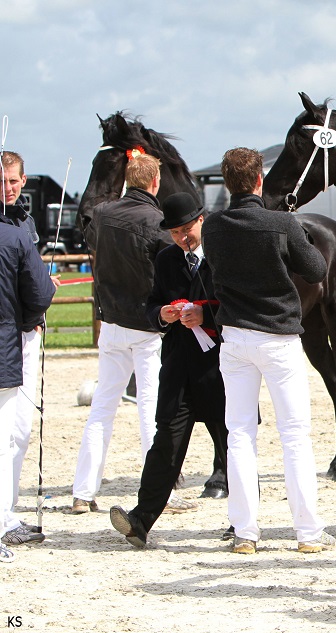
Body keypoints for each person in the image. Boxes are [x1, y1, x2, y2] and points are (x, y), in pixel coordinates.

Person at [201, 147, 334, 554]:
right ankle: (308, 533)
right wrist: (297, 236)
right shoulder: (282, 223)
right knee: (294, 434)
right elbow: (316, 269)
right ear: (259, 179)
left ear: (227, 183)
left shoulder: (213, 226)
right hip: (278, 336)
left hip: (236, 336)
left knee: (239, 434)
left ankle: (245, 531)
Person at [72, 151, 197, 515]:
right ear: (155, 181)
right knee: (152, 410)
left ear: (128, 180)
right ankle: (163, 492)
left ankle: (83, 491)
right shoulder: (157, 221)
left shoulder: (103, 214)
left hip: (110, 323)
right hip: (145, 327)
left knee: (102, 408)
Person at [110, 193, 230, 547]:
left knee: (232, 445)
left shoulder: (222, 256)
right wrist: (162, 315)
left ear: (202, 220)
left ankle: (243, 522)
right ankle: (140, 520)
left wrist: (205, 316)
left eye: (186, 230)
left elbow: (238, 307)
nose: (182, 238)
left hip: (219, 370)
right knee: (165, 445)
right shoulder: (165, 260)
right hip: (178, 370)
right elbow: (150, 304)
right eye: (175, 233)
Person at [1, 151, 58, 547]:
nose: (7, 189)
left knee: (20, 430)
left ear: (23, 182)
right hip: (12, 332)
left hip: (26, 332)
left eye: (13, 182)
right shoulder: (12, 231)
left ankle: (9, 509)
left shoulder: (26, 223)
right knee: (7, 430)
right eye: (1, 182)